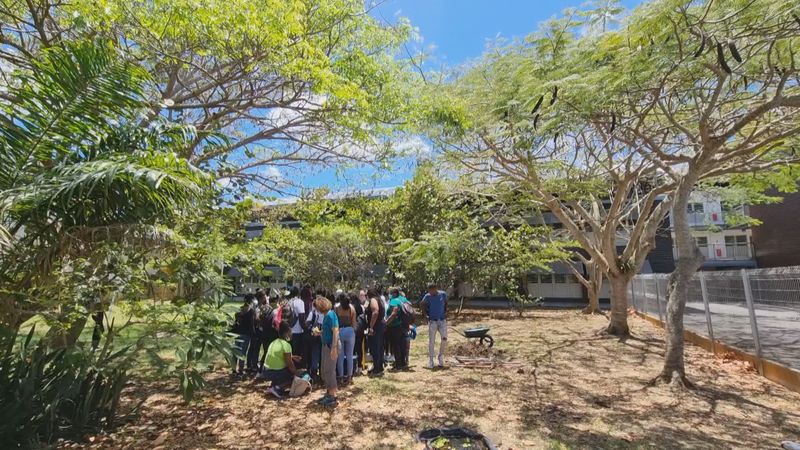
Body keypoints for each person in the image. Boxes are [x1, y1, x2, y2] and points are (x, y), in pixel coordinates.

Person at [263, 321, 301, 398]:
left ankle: (273, 386)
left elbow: (278, 355)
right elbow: (290, 364)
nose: (292, 333)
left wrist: (292, 357)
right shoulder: (286, 345)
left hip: (265, 371)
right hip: (274, 372)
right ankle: (276, 388)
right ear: (287, 333)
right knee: (293, 376)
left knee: (285, 369)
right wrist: (297, 374)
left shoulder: (274, 342)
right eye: (291, 331)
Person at [315, 297, 339, 406]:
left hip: (331, 346)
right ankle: (329, 392)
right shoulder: (326, 316)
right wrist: (320, 333)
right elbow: (328, 330)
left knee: (330, 371)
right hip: (326, 345)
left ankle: (332, 396)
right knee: (325, 370)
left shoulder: (330, 314)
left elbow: (335, 331)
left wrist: (333, 348)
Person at [420, 283, 448, 369]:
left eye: (431, 290)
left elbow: (446, 303)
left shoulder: (442, 294)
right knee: (431, 341)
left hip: (442, 320)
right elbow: (422, 304)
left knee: (444, 338)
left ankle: (440, 356)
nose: (430, 292)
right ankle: (431, 361)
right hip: (433, 321)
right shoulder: (427, 296)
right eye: (429, 291)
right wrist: (425, 315)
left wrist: (446, 312)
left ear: (435, 289)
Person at [384, 287, 410, 371]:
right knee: (401, 345)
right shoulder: (402, 299)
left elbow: (394, 313)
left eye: (390, 293)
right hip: (402, 325)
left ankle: (398, 365)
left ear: (394, 294)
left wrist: (386, 322)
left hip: (394, 326)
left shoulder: (394, 301)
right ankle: (403, 363)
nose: (389, 295)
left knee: (395, 346)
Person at [334, 292, 357, 385]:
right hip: (350, 331)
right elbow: (354, 323)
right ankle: (350, 377)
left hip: (340, 331)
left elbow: (335, 322)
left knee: (340, 356)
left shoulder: (336, 307)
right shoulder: (352, 308)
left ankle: (341, 377)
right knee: (349, 356)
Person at [231, 295, 256, 375]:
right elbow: (251, 324)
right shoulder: (251, 311)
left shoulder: (240, 309)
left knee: (235, 351)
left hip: (238, 333)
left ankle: (234, 369)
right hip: (246, 334)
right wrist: (254, 334)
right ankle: (240, 370)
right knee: (242, 352)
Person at [365, 288, 385, 376]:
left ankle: (377, 369)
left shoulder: (373, 300)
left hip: (376, 326)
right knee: (379, 347)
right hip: (380, 325)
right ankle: (379, 366)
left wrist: (371, 327)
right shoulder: (380, 299)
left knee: (374, 347)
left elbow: (375, 312)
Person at [304, 298, 324, 382]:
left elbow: (306, 323)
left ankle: (316, 374)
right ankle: (316, 374)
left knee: (317, 355)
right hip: (317, 337)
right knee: (317, 355)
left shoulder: (314, 313)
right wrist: (314, 329)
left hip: (317, 337)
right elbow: (308, 324)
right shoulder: (317, 314)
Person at [286, 286, 306, 365]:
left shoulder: (288, 302)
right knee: (296, 353)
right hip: (297, 331)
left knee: (289, 353)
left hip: (288, 330)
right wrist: (306, 329)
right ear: (298, 293)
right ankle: (296, 371)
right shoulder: (299, 302)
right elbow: (301, 317)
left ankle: (289, 370)